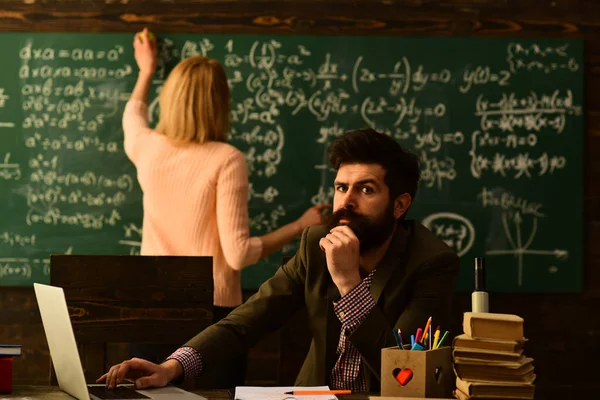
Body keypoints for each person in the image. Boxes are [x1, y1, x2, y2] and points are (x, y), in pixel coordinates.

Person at [98, 127, 460, 392]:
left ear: (399, 205)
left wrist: (349, 283)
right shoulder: (315, 243)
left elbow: (401, 369)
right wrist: (172, 367)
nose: (346, 202)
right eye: (340, 187)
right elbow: (248, 320)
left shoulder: (431, 263)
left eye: (366, 190)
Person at [122, 29, 329, 386]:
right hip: (210, 313)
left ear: (170, 99)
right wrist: (299, 226)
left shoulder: (148, 149)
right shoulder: (226, 159)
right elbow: (238, 254)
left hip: (149, 304)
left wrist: (146, 71)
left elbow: (132, 118)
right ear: (220, 103)